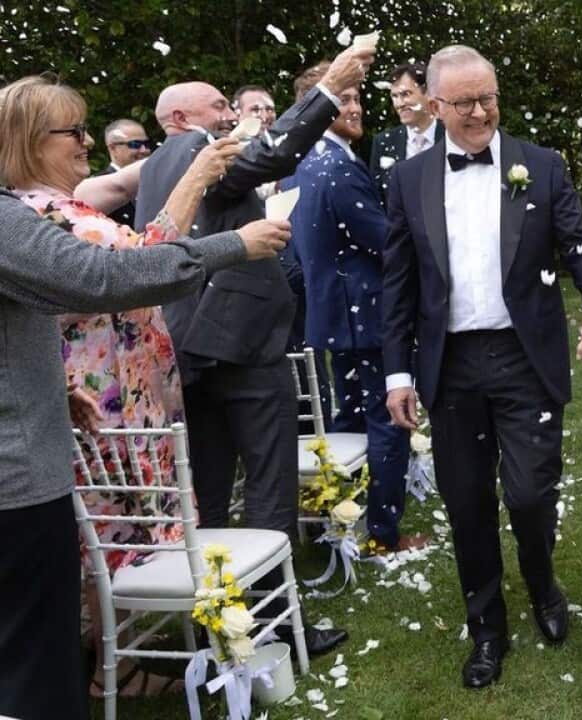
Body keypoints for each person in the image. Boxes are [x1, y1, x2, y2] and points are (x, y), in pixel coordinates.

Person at [381, 44, 582, 689]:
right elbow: (398, 284)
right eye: (464, 103)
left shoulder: (540, 167)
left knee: (529, 493)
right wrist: (398, 374)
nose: (481, 111)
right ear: (434, 107)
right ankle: (487, 627)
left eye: (488, 97)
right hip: (450, 364)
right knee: (465, 503)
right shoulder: (407, 180)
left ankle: (542, 581)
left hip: (525, 358)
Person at [0, 74, 247, 699]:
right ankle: (91, 668)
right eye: (74, 131)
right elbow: (121, 271)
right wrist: (232, 240)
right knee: (85, 561)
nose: (87, 141)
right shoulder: (31, 216)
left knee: (85, 562)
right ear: (29, 140)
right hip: (50, 438)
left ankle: (103, 663)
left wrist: (53, 390)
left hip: (79, 400)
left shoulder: (51, 207)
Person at [134, 43, 374, 658]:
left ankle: (216, 624)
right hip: (240, 344)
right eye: (216, 105)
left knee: (210, 490)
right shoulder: (194, 152)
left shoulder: (156, 166)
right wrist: (332, 87)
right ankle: (276, 625)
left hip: (194, 345)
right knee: (270, 485)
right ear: (179, 120)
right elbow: (273, 154)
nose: (228, 113)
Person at [288, 63, 419, 553]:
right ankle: (382, 535)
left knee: (348, 419)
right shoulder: (338, 167)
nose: (357, 107)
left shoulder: (302, 163)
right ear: (317, 107)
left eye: (358, 97)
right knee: (388, 420)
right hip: (365, 316)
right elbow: (385, 241)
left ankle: (335, 518)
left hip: (333, 315)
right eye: (343, 99)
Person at [369, 62, 443, 196]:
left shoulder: (451, 135)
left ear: (428, 93)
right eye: (394, 96)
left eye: (406, 94)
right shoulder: (384, 142)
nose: (399, 104)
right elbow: (377, 198)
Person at [94, 118, 151, 226]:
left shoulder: (154, 181)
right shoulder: (99, 186)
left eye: (146, 144)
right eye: (135, 144)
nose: (144, 150)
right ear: (113, 148)